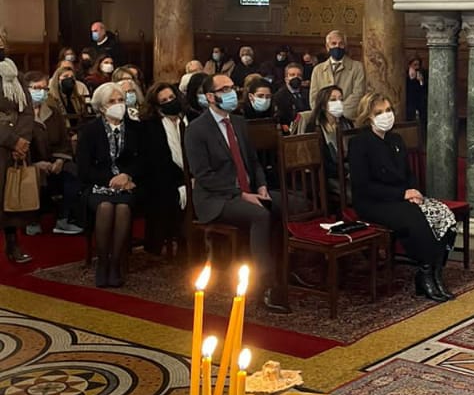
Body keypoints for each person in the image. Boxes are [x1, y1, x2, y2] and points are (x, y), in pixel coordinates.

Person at [183, 74, 289, 314]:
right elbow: (204, 175)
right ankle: (265, 285)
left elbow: (253, 161)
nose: (231, 93)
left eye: (232, 88)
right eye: (224, 89)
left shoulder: (239, 123)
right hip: (217, 198)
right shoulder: (196, 130)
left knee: (293, 203)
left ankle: (286, 270)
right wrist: (242, 194)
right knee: (260, 215)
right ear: (210, 97)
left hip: (248, 190)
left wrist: (261, 186)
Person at [349, 91, 456, 304]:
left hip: (401, 197)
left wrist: (413, 191)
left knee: (443, 213)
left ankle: (435, 271)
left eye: (388, 110)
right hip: (373, 202)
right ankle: (425, 272)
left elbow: (408, 174)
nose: (386, 115)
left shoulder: (396, 139)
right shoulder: (359, 143)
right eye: (379, 112)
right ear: (368, 116)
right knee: (415, 218)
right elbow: (363, 185)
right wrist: (402, 194)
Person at [76, 81, 142, 287]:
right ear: (102, 107)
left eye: (121, 100)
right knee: (105, 207)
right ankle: (103, 262)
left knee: (122, 207)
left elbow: (143, 160)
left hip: (127, 185)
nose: (118, 104)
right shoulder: (89, 131)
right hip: (97, 184)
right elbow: (83, 168)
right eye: (112, 101)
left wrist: (127, 176)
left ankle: (116, 264)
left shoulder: (135, 128)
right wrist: (110, 180)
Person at [22, 71, 83, 235]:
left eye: (45, 88)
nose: (41, 92)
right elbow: (17, 146)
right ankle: (32, 219)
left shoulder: (54, 113)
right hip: (29, 163)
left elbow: (64, 142)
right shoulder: (19, 115)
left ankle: (64, 219)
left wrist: (60, 161)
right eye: (36, 88)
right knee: (34, 174)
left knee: (72, 171)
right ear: (26, 89)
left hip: (54, 160)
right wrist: (35, 164)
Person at [139, 81, 187, 256]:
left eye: (171, 97)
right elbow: (157, 163)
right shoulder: (151, 126)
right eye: (164, 101)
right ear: (157, 106)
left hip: (195, 175)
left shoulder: (190, 119)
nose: (169, 102)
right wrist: (182, 182)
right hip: (165, 178)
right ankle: (175, 241)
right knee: (165, 193)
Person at [0, 37, 35, 263]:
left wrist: (22, 141)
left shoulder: (15, 75)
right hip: (4, 141)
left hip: (15, 147)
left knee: (11, 197)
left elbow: (27, 110)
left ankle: (13, 244)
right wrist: (11, 140)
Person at [300, 83, 352, 205]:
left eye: (340, 99)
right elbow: (321, 161)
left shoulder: (347, 123)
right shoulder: (314, 127)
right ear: (323, 104)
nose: (338, 103)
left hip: (350, 171)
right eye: (333, 100)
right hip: (328, 175)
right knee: (354, 195)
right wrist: (344, 172)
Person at [308, 29, 366, 120]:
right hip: (325, 121)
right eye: (333, 43)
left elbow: (358, 93)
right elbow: (314, 97)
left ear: (345, 46)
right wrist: (325, 115)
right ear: (327, 47)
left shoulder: (357, 67)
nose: (337, 46)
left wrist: (340, 112)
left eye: (341, 44)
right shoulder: (318, 70)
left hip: (348, 119)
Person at [49, 62, 92, 129]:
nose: (69, 79)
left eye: (72, 77)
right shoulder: (51, 99)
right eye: (65, 76)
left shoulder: (78, 98)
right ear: (57, 80)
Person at [273, 61, 310, 130]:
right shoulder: (279, 96)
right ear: (286, 79)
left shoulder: (307, 93)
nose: (296, 77)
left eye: (299, 75)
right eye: (292, 75)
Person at [405, 56, 428, 123]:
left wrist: (421, 81)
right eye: (415, 65)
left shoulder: (423, 73)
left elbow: (424, 88)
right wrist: (412, 79)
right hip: (410, 101)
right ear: (410, 65)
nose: (417, 67)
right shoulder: (405, 74)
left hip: (420, 101)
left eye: (418, 65)